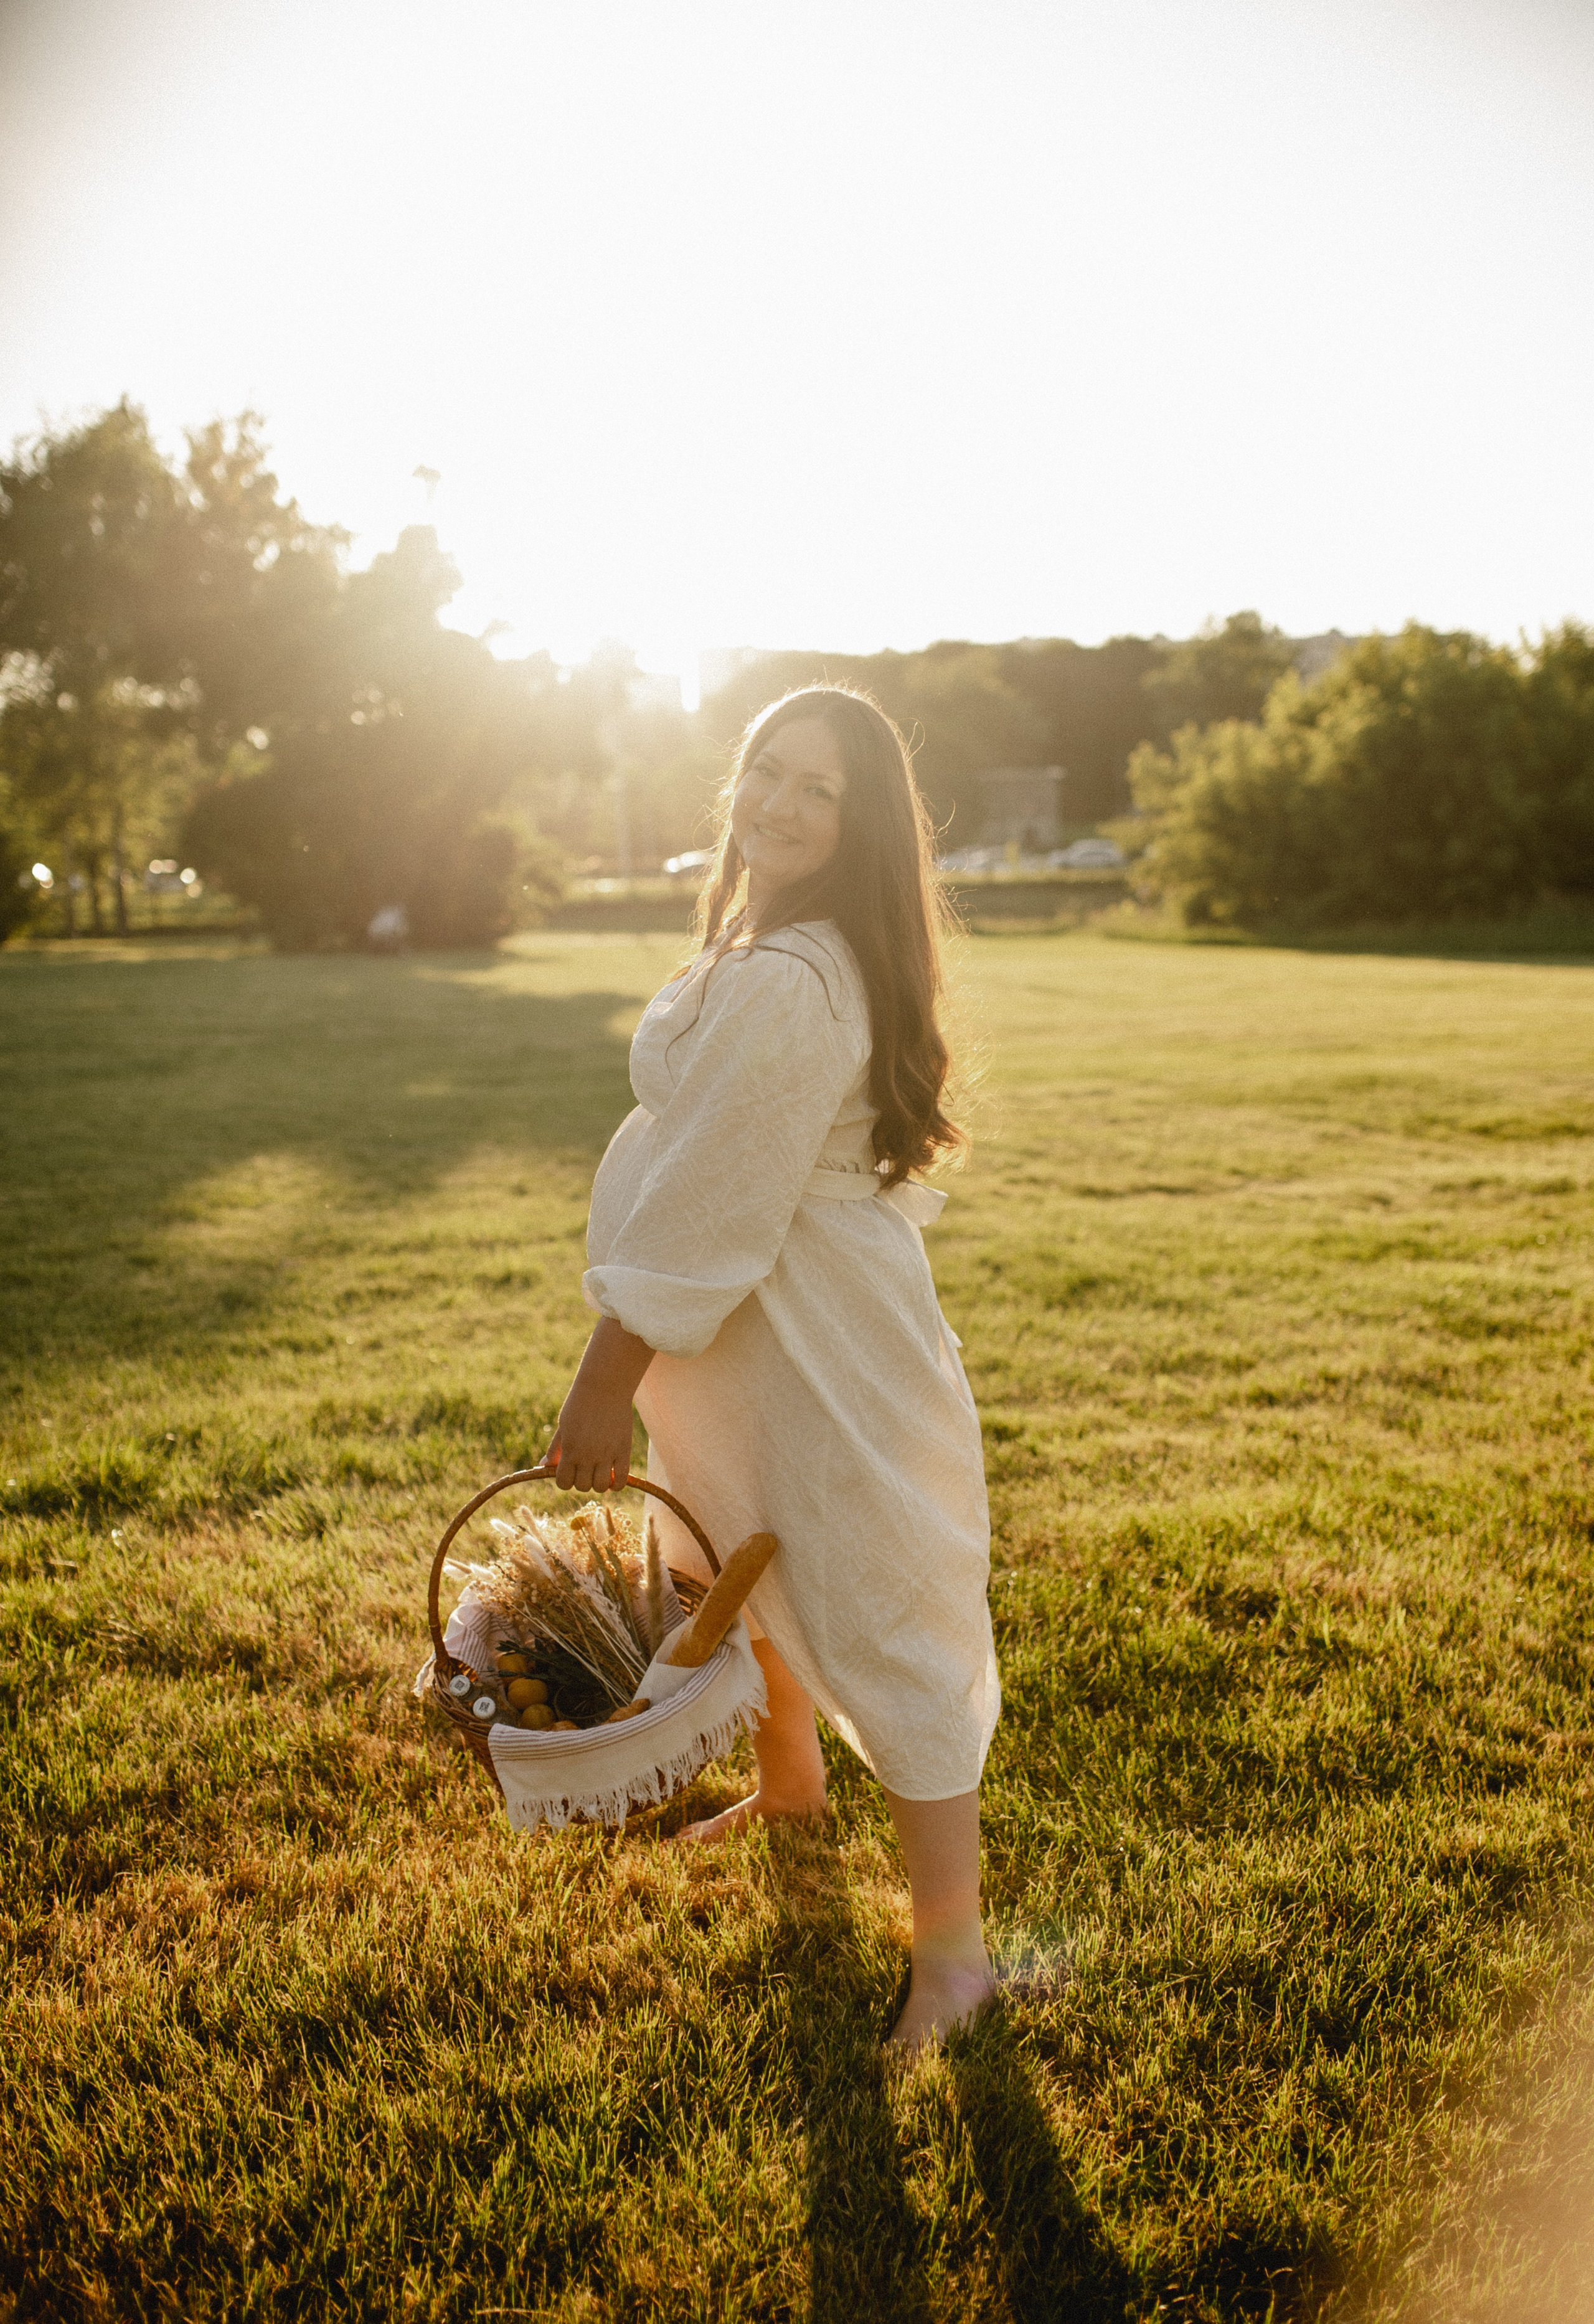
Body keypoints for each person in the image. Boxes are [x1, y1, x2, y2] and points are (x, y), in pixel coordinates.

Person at [542, 684, 1001, 2049]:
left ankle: (957, 1956)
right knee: (745, 1546)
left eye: (820, 791)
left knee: (875, 1608)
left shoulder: (799, 979)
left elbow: (709, 1203)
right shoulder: (771, 943)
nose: (780, 804)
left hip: (810, 1340)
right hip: (759, 1338)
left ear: (860, 831)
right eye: (766, 770)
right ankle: (790, 1781)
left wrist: (604, 1375)